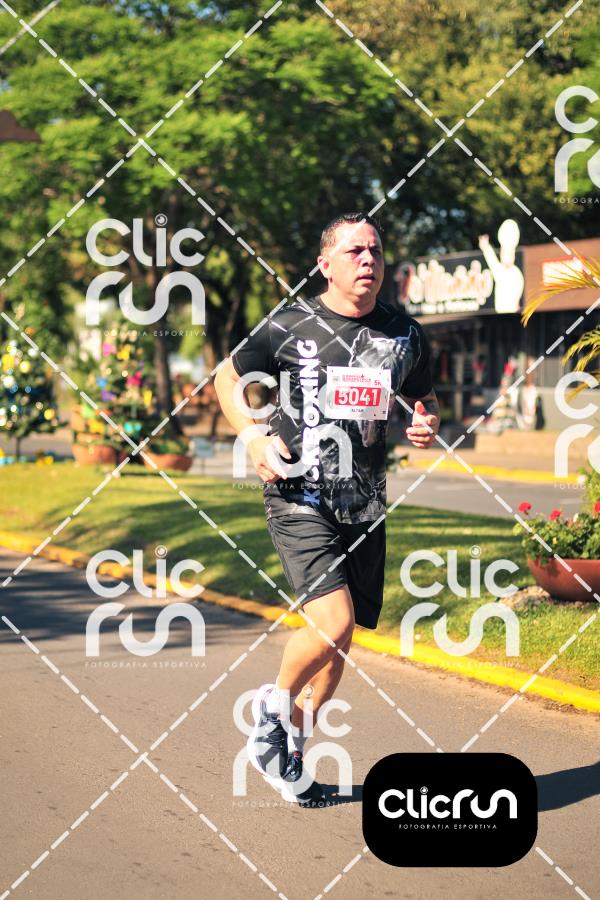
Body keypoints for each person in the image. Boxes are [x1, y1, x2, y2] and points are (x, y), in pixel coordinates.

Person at [215, 213, 440, 806]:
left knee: (340, 646)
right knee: (332, 623)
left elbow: (424, 398)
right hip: (299, 496)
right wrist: (253, 436)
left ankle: (288, 752)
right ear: (325, 265)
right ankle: (270, 712)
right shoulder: (289, 324)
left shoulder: (405, 334)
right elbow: (225, 378)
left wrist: (426, 422)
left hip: (364, 504)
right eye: (355, 251)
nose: (368, 260)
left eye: (376, 251)